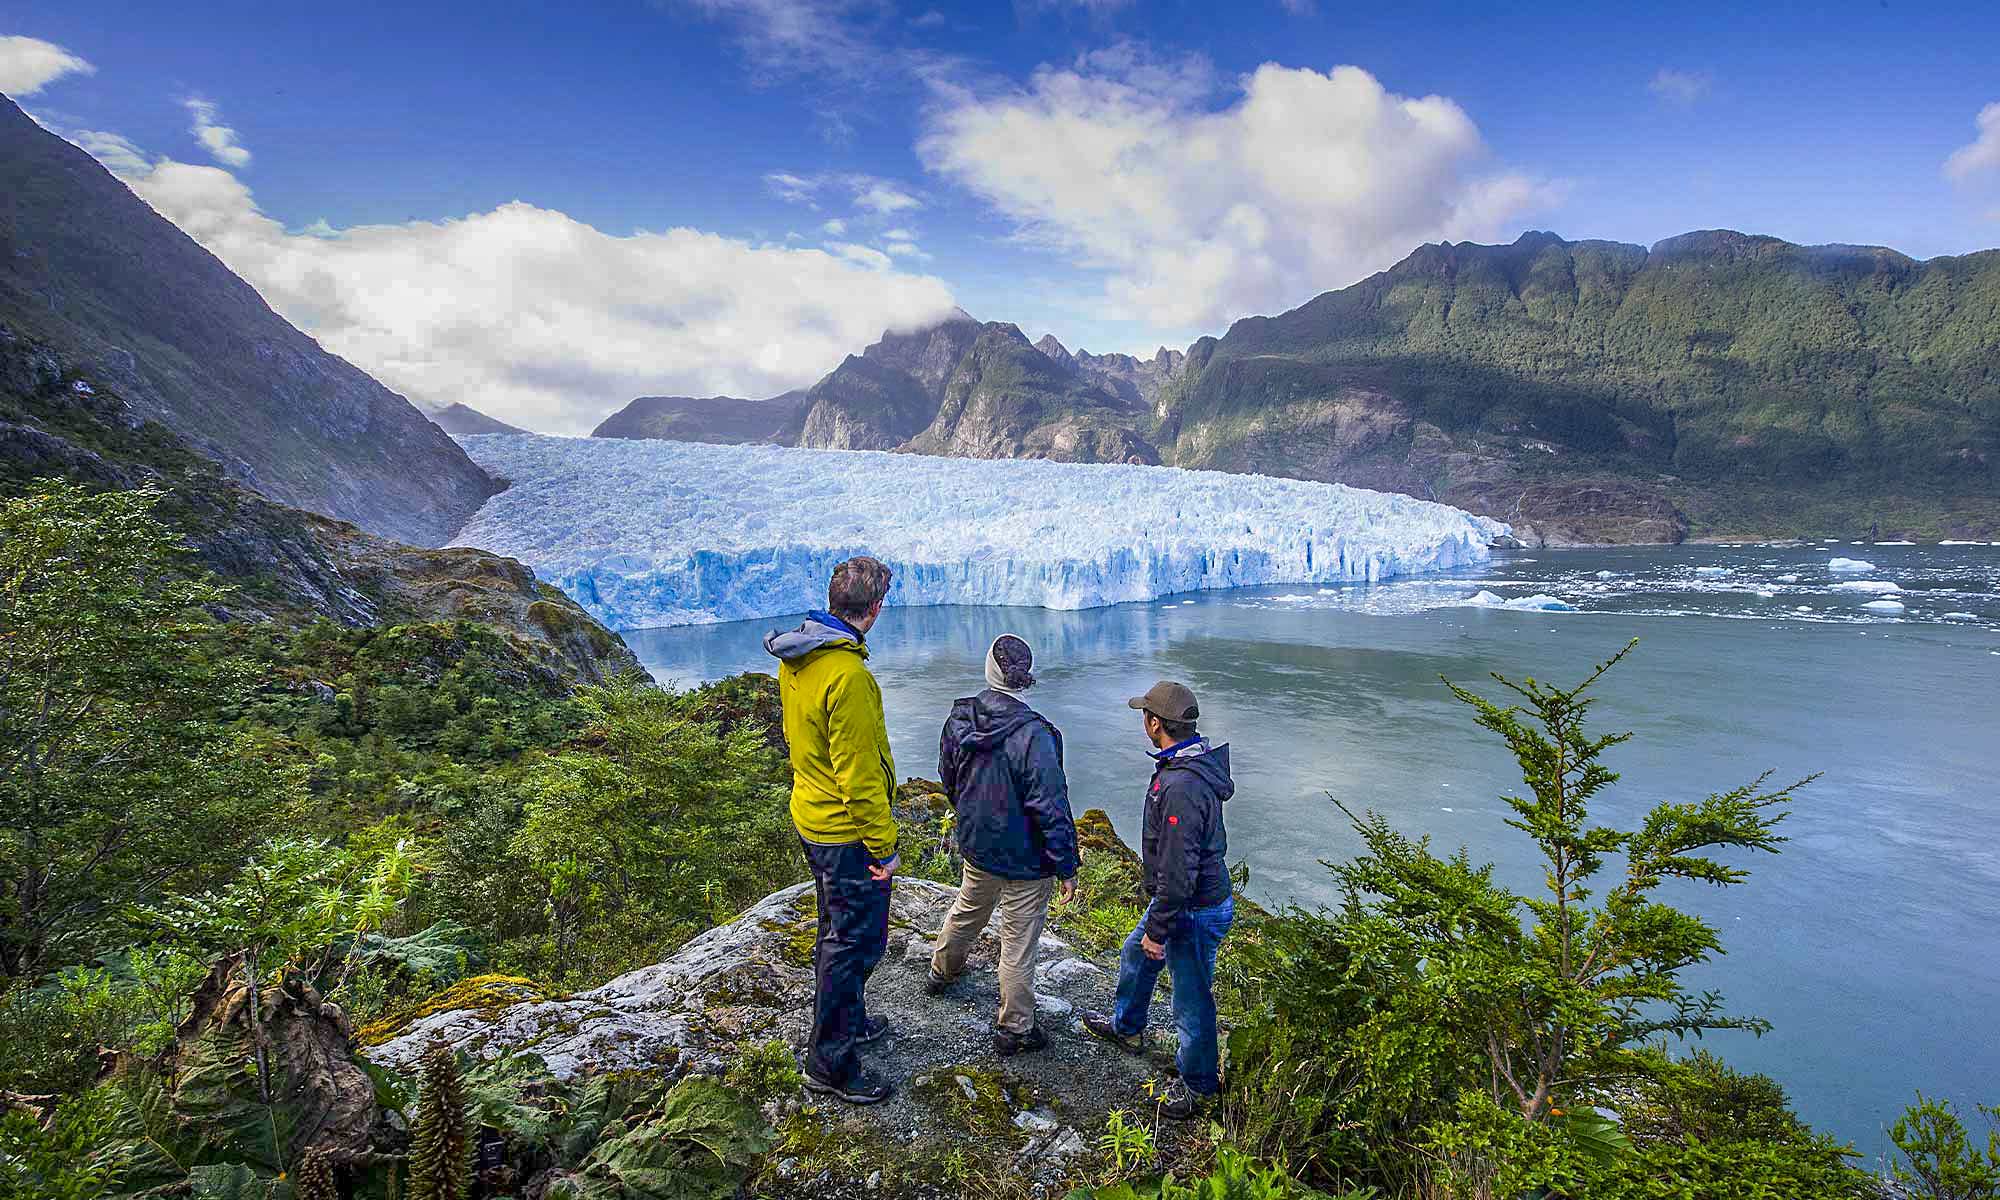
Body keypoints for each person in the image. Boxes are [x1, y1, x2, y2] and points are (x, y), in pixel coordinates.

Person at [763, 556, 900, 1104]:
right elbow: (860, 774)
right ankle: (831, 1063)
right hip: (845, 833)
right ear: (875, 608)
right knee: (857, 942)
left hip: (812, 817)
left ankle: (853, 1022)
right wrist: (884, 846)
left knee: (834, 929)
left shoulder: (801, 656)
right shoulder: (848, 676)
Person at [1081, 680, 1235, 1120]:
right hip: (1189, 900)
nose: (1142, 721)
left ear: (1155, 724)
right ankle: (1127, 1027)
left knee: (1190, 998)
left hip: (1192, 907)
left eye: (1144, 715)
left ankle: (1200, 1087)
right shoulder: (1189, 767)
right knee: (1136, 956)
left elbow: (1178, 870)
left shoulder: (1180, 787)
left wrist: (1159, 928)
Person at [926, 635, 1081, 1056]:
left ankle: (941, 972)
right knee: (1018, 940)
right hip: (1027, 860)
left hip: (979, 844)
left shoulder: (961, 719)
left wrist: (968, 815)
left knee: (968, 909)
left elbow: (949, 775)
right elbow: (1051, 804)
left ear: (990, 670)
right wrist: (1067, 864)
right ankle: (1015, 1028)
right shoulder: (1035, 735)